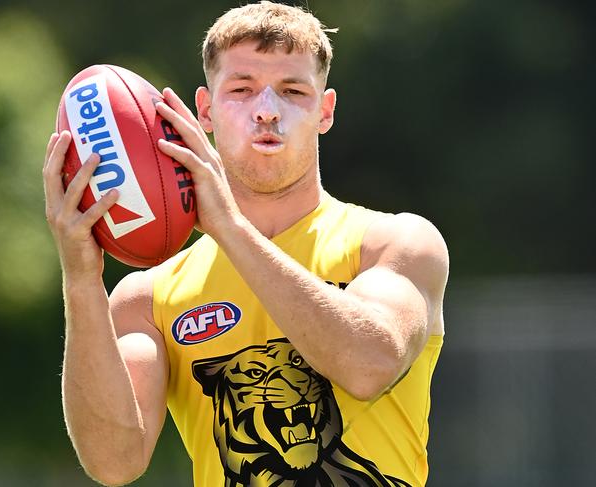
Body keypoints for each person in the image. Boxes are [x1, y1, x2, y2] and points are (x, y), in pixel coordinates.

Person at [42, 2, 449, 486]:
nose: (267, 111)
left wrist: (230, 228)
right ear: (205, 110)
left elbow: (370, 365)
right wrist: (81, 278)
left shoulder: (391, 242)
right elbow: (114, 462)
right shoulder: (149, 297)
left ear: (325, 111)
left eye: (293, 91)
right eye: (242, 90)